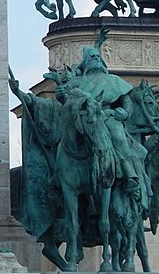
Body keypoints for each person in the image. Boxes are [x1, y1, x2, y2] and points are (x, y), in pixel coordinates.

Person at [57, 43, 148, 206]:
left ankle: (130, 176)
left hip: (108, 116)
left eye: (99, 57)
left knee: (119, 138)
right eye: (93, 57)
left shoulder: (114, 80)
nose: (97, 59)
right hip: (84, 116)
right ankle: (59, 177)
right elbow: (65, 97)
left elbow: (126, 101)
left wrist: (125, 113)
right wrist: (60, 94)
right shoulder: (77, 81)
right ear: (86, 62)